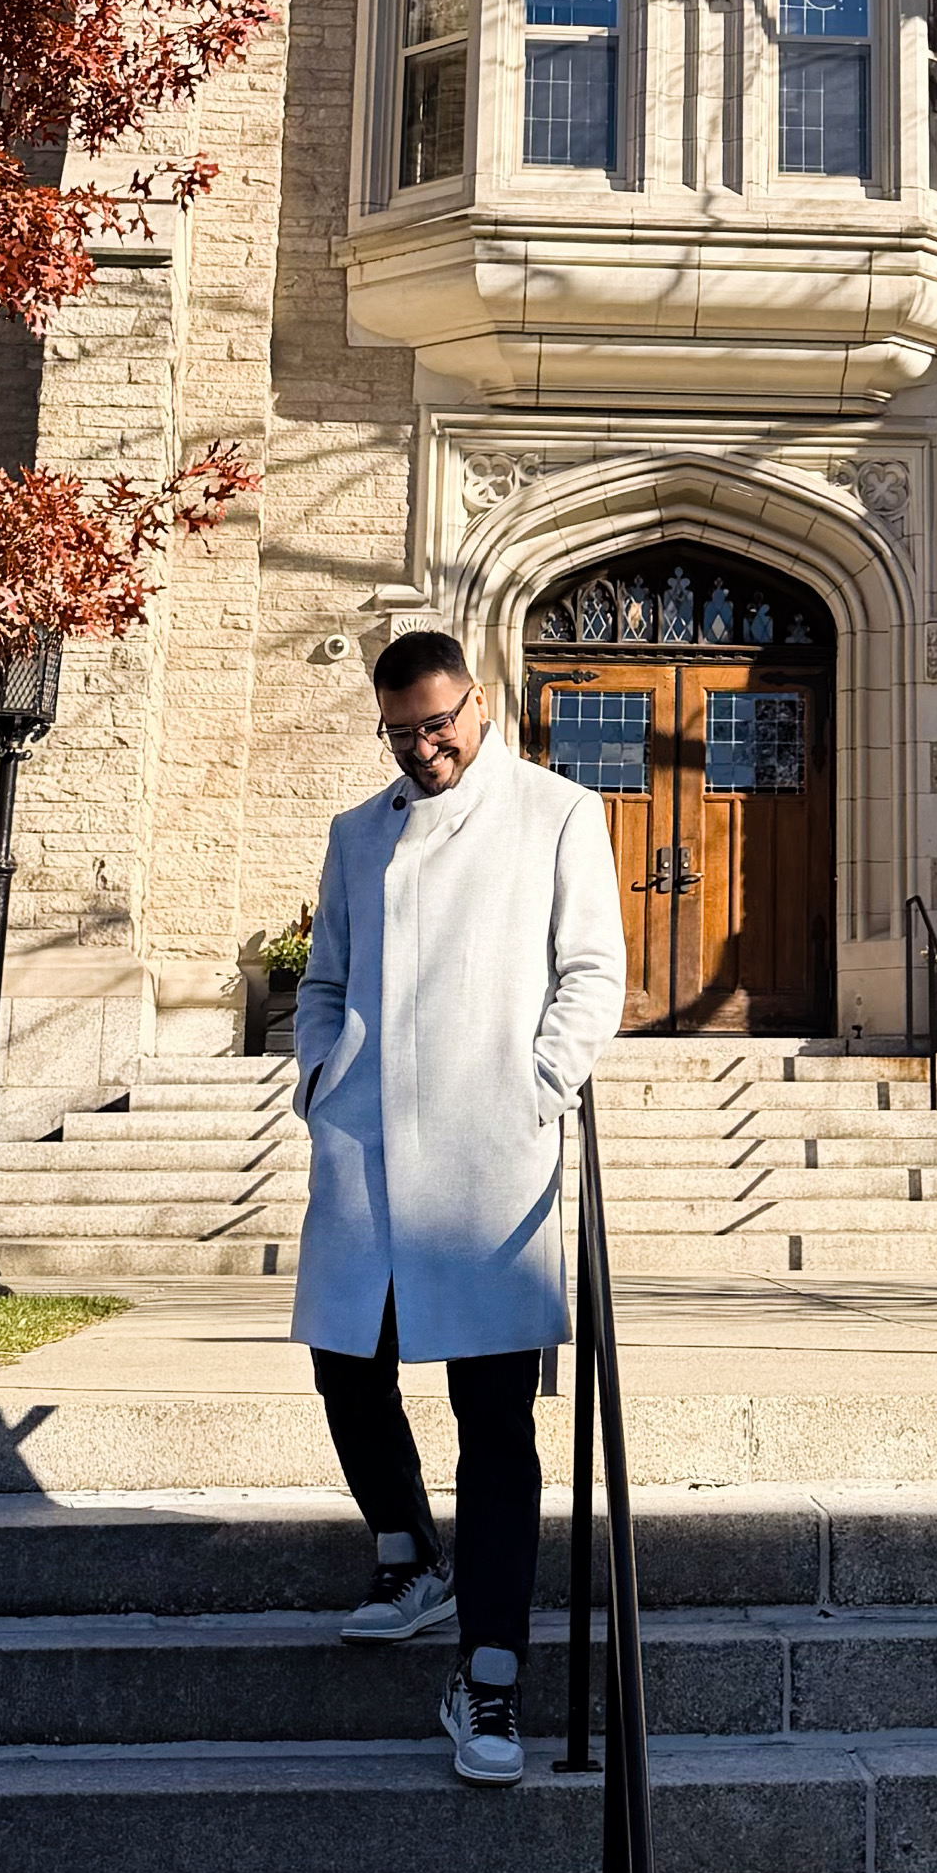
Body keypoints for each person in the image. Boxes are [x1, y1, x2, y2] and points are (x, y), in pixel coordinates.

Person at [290, 628, 625, 1782]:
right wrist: (319, 1070)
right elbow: (323, 976)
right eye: (401, 731)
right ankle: (406, 1557)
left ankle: (489, 1680)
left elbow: (592, 969)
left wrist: (540, 1083)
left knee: (496, 1423)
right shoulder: (354, 834)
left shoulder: (559, 813)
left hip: (494, 1161)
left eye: (438, 724)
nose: (424, 747)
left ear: (477, 704)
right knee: (346, 1362)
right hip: (365, 1147)